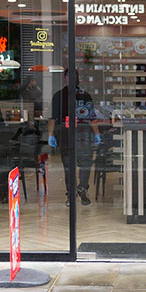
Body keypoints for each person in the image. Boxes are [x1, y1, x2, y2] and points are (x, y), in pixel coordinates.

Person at [48, 77, 101, 206]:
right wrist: (97, 134)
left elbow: (52, 118)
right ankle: (79, 190)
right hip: (78, 134)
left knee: (72, 166)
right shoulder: (77, 95)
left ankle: (75, 193)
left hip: (73, 134)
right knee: (80, 164)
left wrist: (51, 135)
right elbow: (92, 118)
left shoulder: (62, 96)